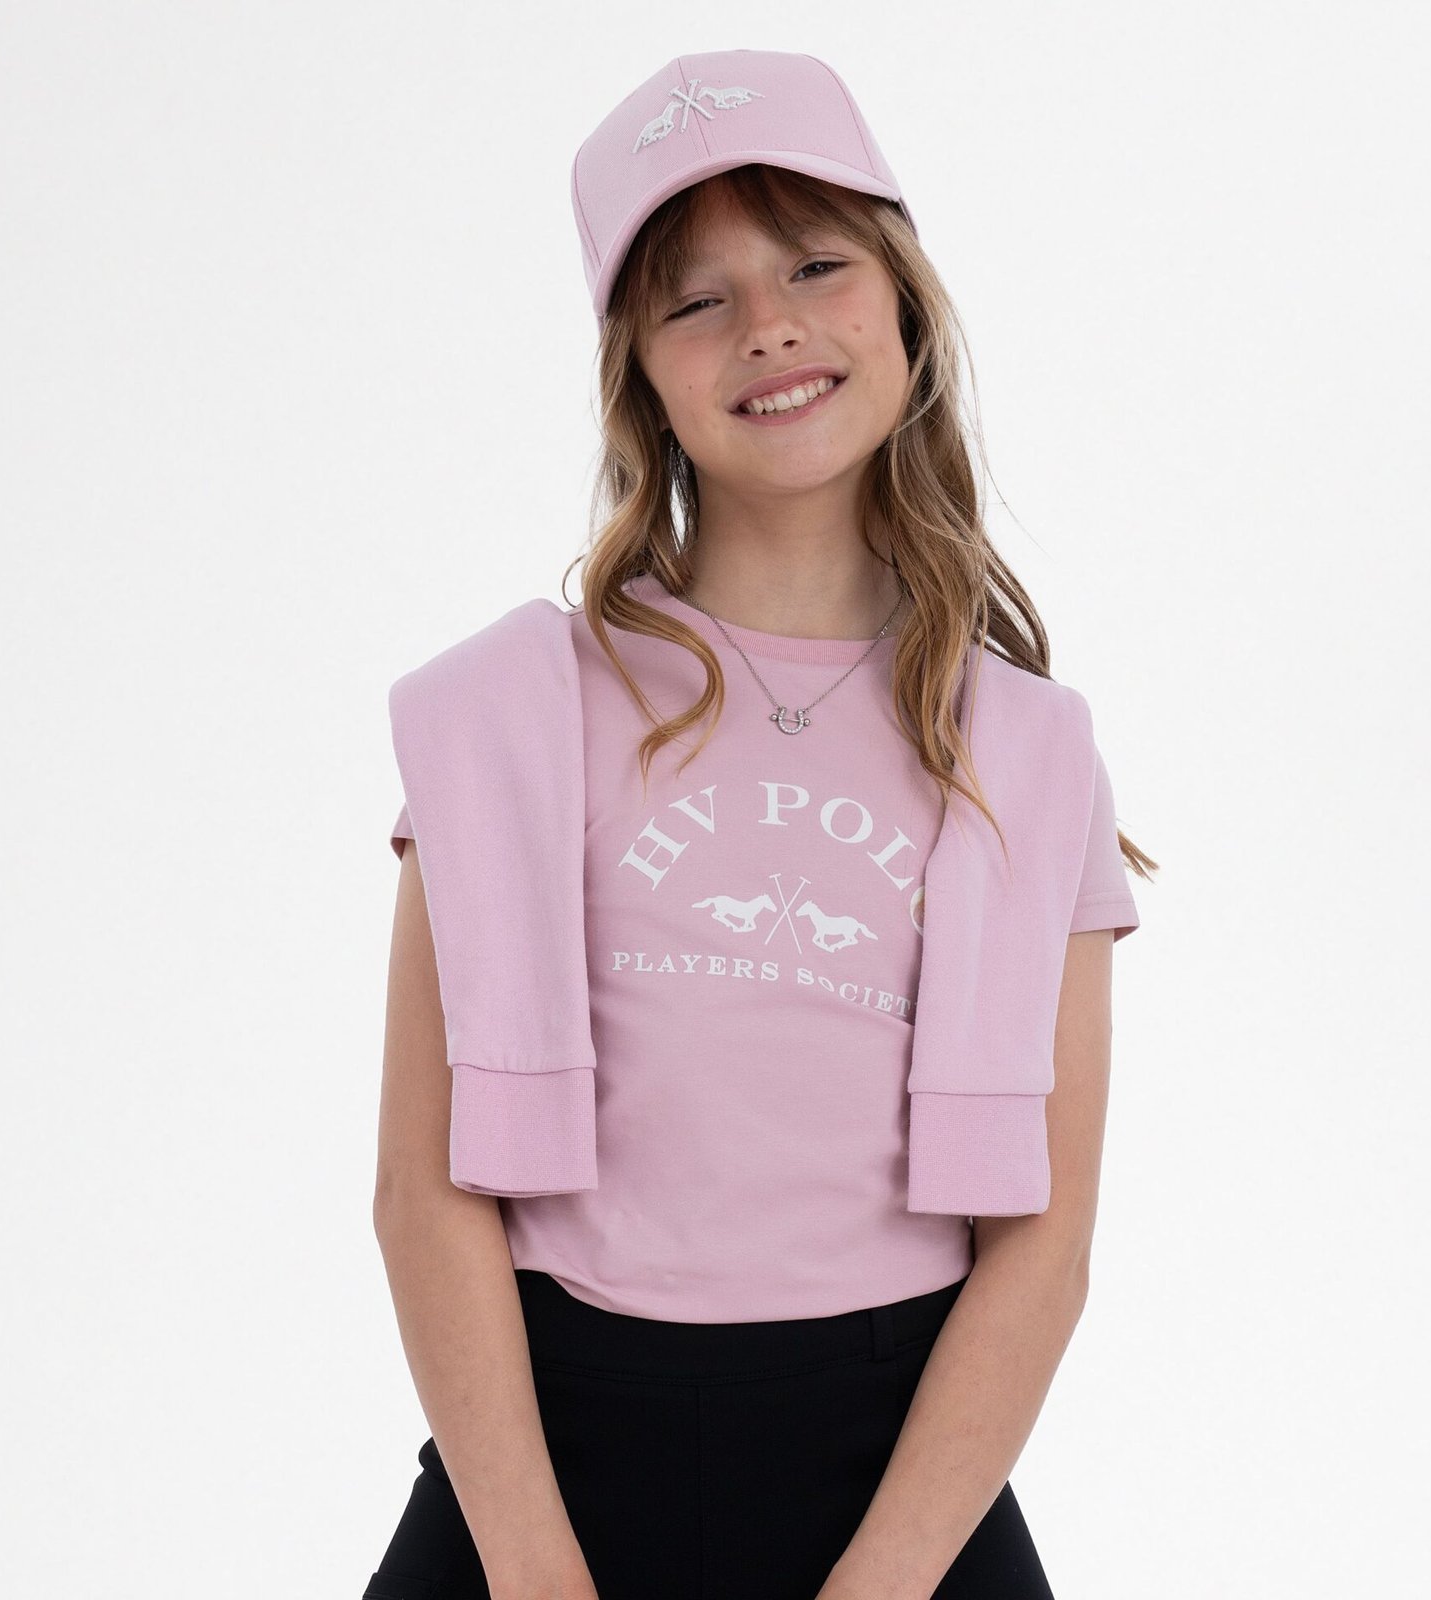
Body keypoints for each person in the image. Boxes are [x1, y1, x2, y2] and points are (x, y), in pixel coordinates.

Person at [365, 47, 1155, 1600]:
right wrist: (532, 1570)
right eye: (696, 299)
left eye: (814, 264)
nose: (770, 326)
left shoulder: (1027, 751)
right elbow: (425, 1193)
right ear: (641, 381)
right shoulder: (511, 713)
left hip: (901, 1482)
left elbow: (1045, 1248)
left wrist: (885, 1581)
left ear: (904, 304)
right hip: (541, 1467)